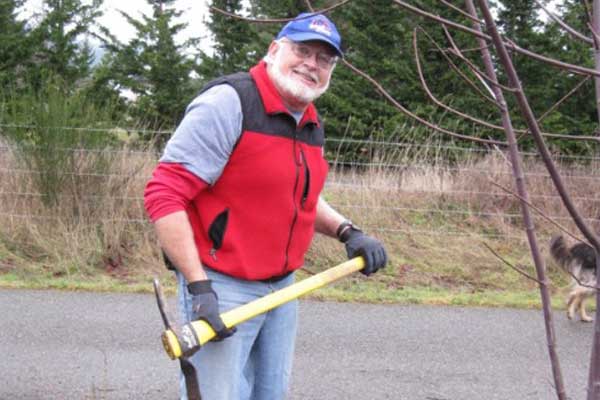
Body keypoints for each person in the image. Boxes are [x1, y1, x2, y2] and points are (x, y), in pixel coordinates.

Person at [144, 12, 388, 400]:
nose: (312, 64)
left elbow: (298, 196)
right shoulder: (229, 103)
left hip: (282, 288)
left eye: (324, 59)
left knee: (270, 394)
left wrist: (348, 231)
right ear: (273, 50)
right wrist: (199, 287)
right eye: (302, 50)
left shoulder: (307, 118)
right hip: (221, 286)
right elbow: (164, 193)